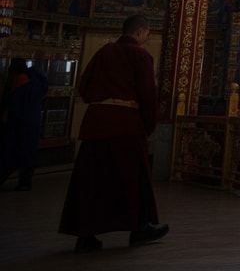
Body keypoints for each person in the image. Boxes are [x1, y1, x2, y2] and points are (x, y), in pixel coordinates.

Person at [58, 14, 169, 252]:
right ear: (141, 31)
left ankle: (85, 234)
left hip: (96, 125)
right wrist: (149, 125)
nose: (147, 39)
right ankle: (139, 228)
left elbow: (84, 88)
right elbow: (149, 96)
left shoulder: (103, 52)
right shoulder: (141, 56)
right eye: (148, 34)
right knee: (132, 180)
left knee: (92, 181)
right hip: (126, 126)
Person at [1, 57, 48, 190]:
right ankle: (25, 183)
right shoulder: (37, 82)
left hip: (17, 124)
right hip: (32, 124)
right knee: (27, 154)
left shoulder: (18, 82)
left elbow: (11, 106)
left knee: (10, 154)